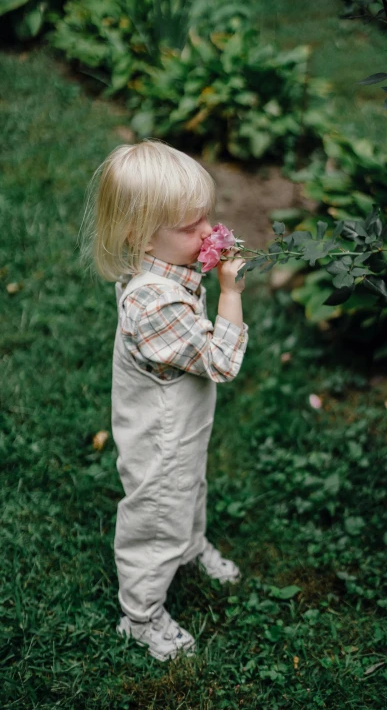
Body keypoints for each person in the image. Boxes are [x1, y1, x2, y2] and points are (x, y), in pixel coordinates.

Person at [80, 139, 248, 661]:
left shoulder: (156, 266)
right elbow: (221, 361)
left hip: (182, 428)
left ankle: (192, 548)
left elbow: (182, 277)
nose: (206, 232)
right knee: (157, 520)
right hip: (160, 440)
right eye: (189, 226)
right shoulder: (152, 306)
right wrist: (232, 292)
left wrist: (200, 255)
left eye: (207, 218)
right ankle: (141, 615)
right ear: (140, 237)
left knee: (190, 488)